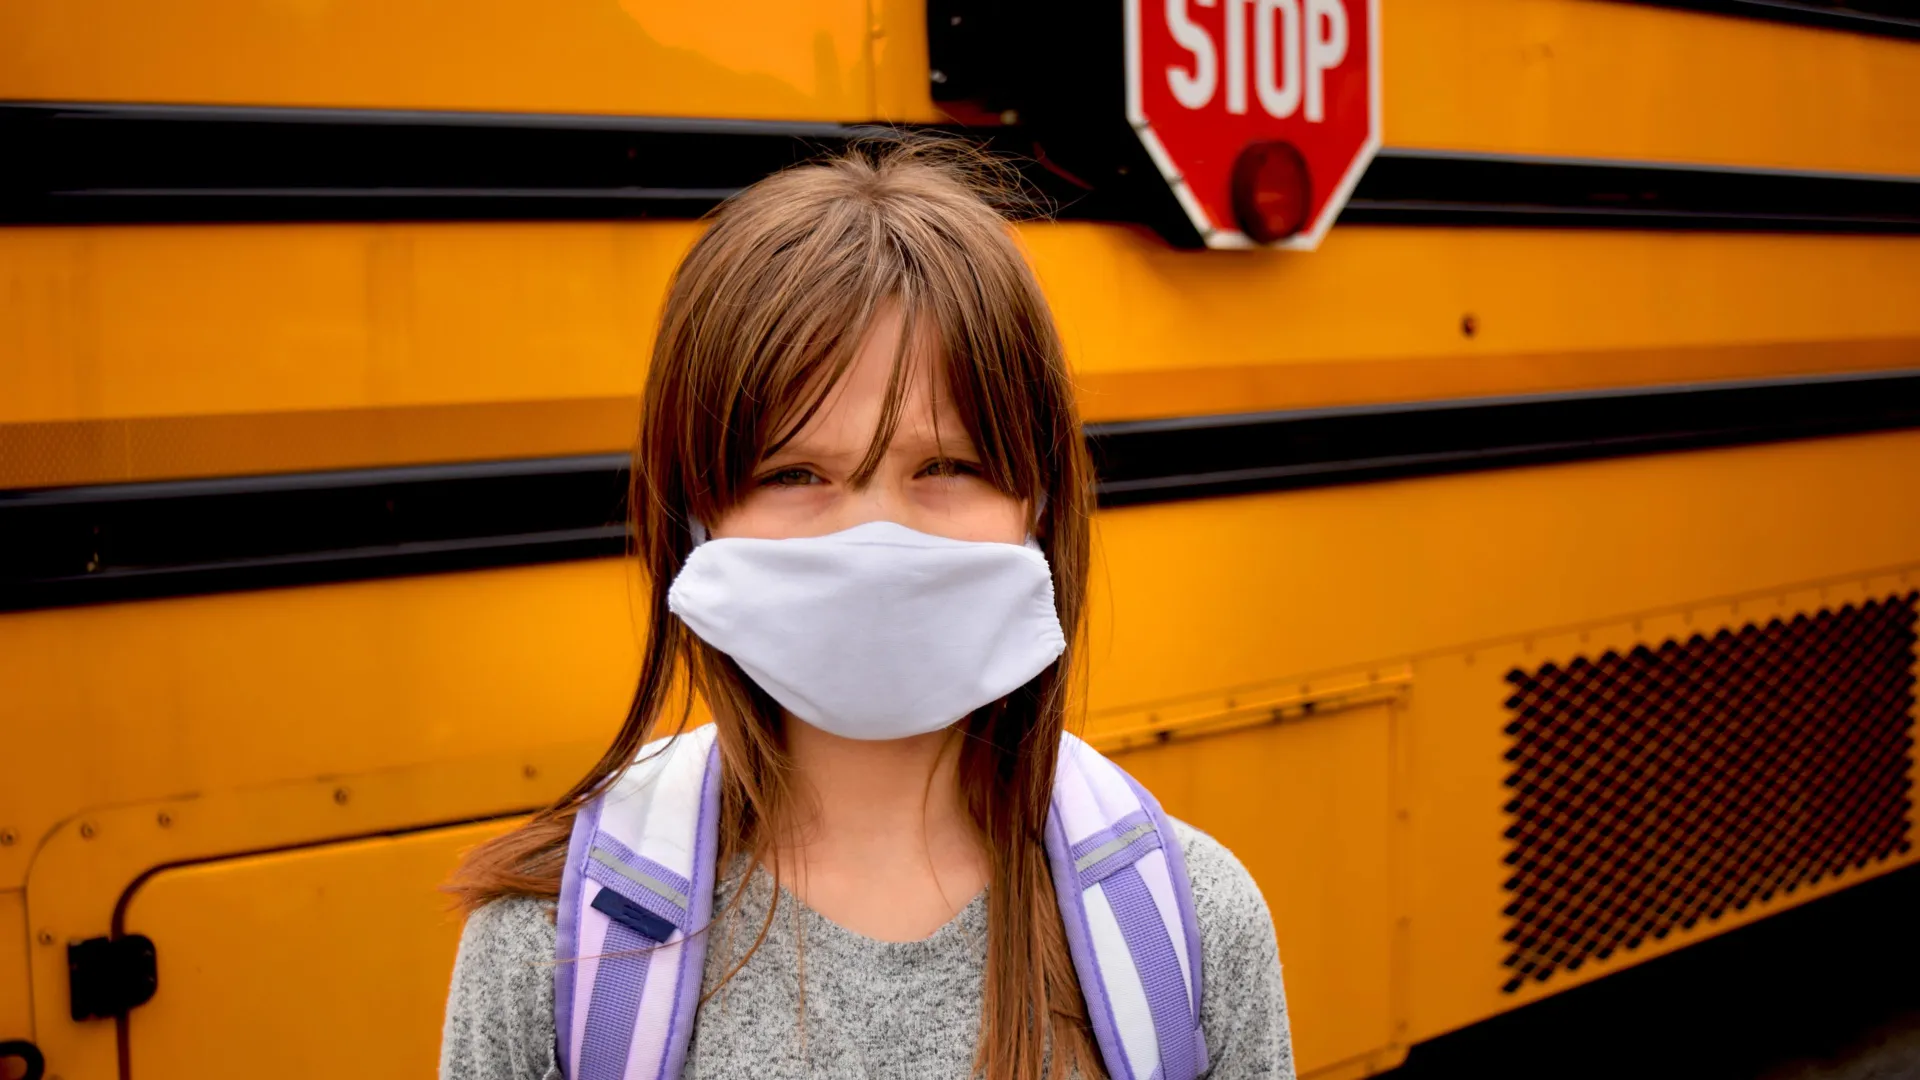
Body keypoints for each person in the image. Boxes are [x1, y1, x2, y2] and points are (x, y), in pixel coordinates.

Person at [439, 140, 1293, 1080]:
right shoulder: (551, 948)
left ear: (1038, 505)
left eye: (947, 467)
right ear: (694, 516)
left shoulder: (1191, 929)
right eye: (796, 473)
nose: (875, 536)